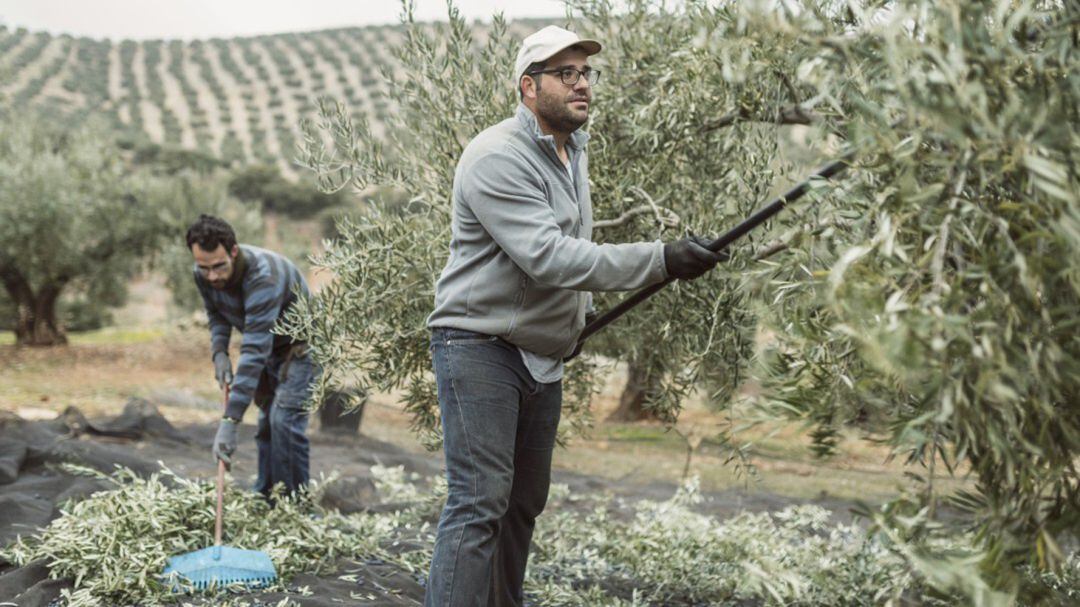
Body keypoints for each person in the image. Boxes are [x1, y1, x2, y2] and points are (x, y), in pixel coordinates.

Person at [423, 25, 725, 607]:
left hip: (541, 357)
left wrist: (574, 323)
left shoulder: (571, 150)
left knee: (522, 504)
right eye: (567, 74)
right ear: (528, 86)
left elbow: (570, 246)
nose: (582, 83)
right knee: (480, 501)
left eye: (586, 73)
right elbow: (550, 256)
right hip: (479, 347)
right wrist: (662, 259)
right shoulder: (496, 157)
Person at [186, 214, 319, 498]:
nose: (212, 276)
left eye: (219, 267)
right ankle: (266, 496)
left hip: (302, 349)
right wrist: (219, 351)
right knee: (266, 423)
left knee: (283, 421)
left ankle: (295, 506)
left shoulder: (264, 276)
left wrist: (230, 422)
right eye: (204, 268)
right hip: (270, 348)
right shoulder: (204, 274)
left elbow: (255, 349)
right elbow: (217, 313)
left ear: (233, 251)